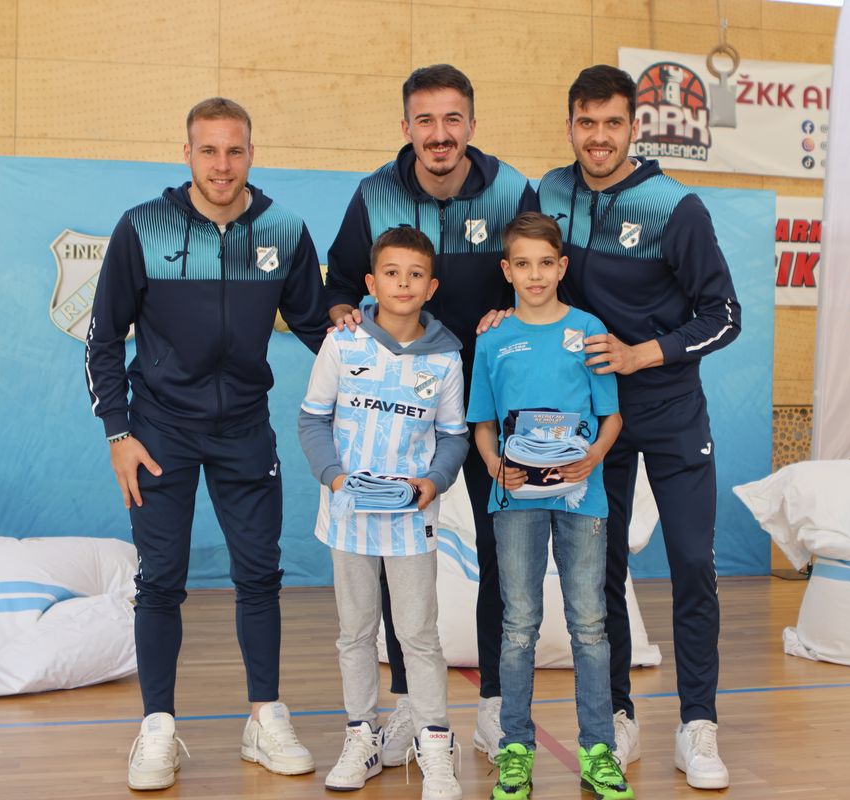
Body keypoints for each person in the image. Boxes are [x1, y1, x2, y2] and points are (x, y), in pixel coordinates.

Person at [85, 97, 325, 790]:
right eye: (209, 150)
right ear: (186, 153)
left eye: (235, 150)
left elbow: (319, 327)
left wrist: (394, 354)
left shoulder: (283, 228)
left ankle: (264, 718)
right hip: (159, 430)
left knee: (260, 575)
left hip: (244, 428)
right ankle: (157, 726)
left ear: (252, 153)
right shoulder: (143, 226)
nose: (223, 165)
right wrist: (118, 433)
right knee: (160, 580)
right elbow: (103, 338)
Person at [325, 63, 538, 763]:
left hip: (493, 409)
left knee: (502, 556)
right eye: (425, 120)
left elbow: (539, 273)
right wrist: (343, 318)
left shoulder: (512, 190)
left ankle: (496, 707)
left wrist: (516, 308)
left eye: (452, 119)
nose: (439, 134)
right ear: (407, 127)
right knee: (393, 556)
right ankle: (411, 709)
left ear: (471, 124)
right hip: (406, 416)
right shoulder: (374, 193)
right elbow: (339, 285)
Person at [536, 65, 741, 790]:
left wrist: (640, 353)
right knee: (602, 575)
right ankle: (617, 716)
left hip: (672, 410)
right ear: (571, 125)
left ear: (633, 127)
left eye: (613, 123)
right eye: (586, 123)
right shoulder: (548, 193)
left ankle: (698, 725)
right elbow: (532, 273)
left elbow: (724, 316)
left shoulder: (673, 207)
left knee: (691, 564)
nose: (599, 137)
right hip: (597, 415)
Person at [299, 226, 468, 799]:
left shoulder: (445, 356)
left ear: (431, 287)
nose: (403, 284)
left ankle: (435, 745)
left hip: (410, 520)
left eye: (415, 275)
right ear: (371, 283)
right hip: (348, 514)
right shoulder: (343, 342)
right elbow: (312, 419)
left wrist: (434, 480)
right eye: (392, 273)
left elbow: (453, 436)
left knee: (418, 634)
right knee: (355, 633)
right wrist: (335, 477)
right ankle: (361, 738)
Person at [468, 213, 630, 800]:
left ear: (562, 267)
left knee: (589, 625)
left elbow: (612, 417)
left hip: (583, 499)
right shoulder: (492, 338)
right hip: (516, 501)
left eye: (545, 263)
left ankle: (598, 751)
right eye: (523, 264)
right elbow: (482, 424)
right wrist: (494, 465)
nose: (534, 275)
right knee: (519, 626)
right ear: (506, 269)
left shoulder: (589, 330)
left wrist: (593, 457)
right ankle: (515, 749)